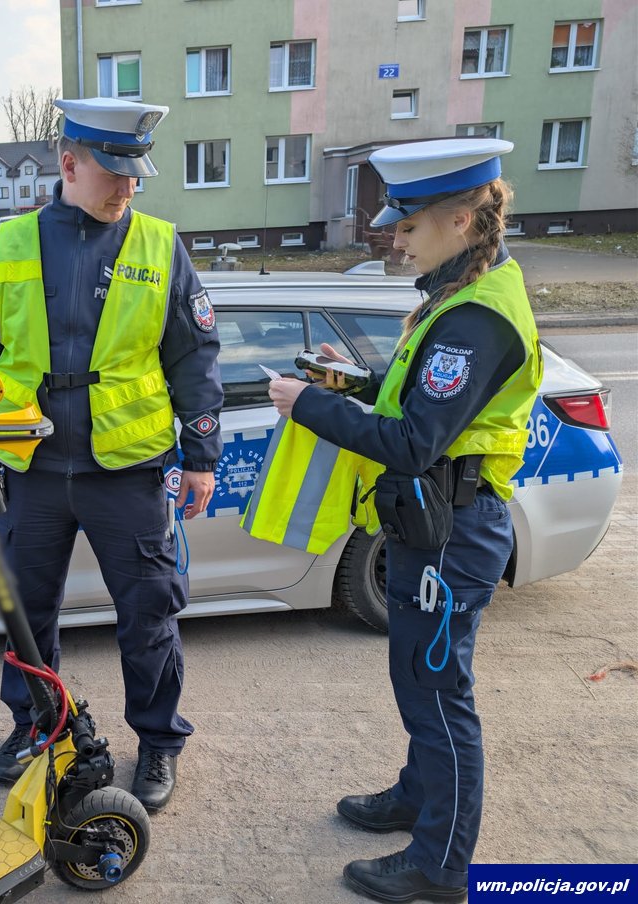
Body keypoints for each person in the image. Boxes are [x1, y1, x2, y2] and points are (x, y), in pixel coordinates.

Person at [266, 138, 542, 902]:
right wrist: (350, 378)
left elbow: (415, 441)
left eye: (409, 226)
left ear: (460, 219)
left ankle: (439, 866)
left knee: (439, 695)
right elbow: (416, 403)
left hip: (452, 534)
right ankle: (417, 798)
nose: (395, 238)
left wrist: (310, 406)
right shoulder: (460, 291)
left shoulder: (478, 317)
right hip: (435, 526)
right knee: (420, 678)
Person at [0, 97, 224, 812]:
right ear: (68, 164)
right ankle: (37, 728)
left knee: (149, 614)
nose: (128, 187)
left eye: (136, 174)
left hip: (126, 473)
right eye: (113, 173)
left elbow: (194, 356)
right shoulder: (10, 242)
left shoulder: (161, 244)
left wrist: (200, 453)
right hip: (30, 473)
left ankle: (159, 742)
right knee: (26, 613)